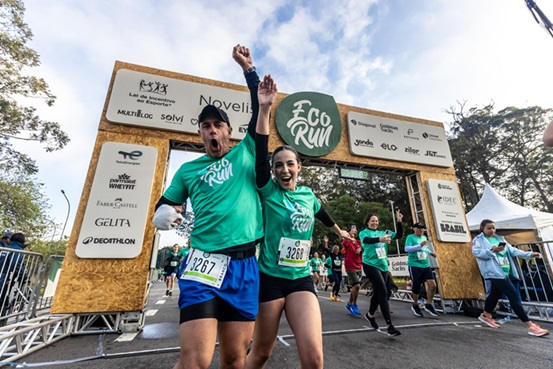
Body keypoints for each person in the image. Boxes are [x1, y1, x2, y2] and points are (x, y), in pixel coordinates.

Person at [153, 44, 264, 369]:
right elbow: (166, 205)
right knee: (195, 362)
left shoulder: (246, 151)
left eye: (218, 125)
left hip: (244, 267)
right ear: (200, 133)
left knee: (233, 359)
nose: (212, 130)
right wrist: (165, 215)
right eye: (206, 126)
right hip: (202, 264)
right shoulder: (188, 170)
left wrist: (249, 70)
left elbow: (260, 111)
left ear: (229, 130)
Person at [244, 75, 351, 369]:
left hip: (301, 279)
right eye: (279, 165)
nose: (284, 169)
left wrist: (340, 232)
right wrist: (265, 108)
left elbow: (321, 212)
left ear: (299, 167)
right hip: (271, 280)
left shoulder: (307, 194)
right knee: (262, 353)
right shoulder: (268, 191)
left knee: (314, 359)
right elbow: (261, 146)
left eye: (290, 163)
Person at [472, 219, 549, 337]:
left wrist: (529, 254)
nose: (492, 230)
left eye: (493, 228)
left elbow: (513, 251)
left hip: (505, 271)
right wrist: (491, 250)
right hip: (493, 272)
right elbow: (477, 253)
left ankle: (486, 315)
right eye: (489, 228)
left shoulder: (500, 239)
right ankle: (530, 326)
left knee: (494, 294)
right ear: (482, 228)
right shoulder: (478, 240)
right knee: (513, 295)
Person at [360, 210, 403, 336]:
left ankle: (370, 315)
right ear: (368, 222)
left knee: (379, 292)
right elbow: (367, 240)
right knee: (384, 292)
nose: (375, 222)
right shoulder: (364, 233)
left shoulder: (385, 232)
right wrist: (381, 239)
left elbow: (399, 235)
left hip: (383, 266)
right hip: (370, 264)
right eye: (372, 221)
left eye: (376, 221)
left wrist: (399, 221)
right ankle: (390, 326)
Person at [404, 223, 439, 317]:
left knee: (433, 286)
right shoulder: (410, 237)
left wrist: (431, 253)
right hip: (415, 265)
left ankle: (428, 304)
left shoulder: (423, 237)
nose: (421, 230)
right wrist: (419, 245)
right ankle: (415, 304)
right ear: (414, 229)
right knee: (417, 287)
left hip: (425, 264)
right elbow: (407, 249)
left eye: (422, 228)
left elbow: (425, 248)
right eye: (419, 228)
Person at [0, 232, 28, 315]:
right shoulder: (17, 250)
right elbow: (15, 264)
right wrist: (23, 274)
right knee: (3, 299)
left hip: (3, 275)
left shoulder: (6, 248)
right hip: (6, 277)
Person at [342, 225, 363, 316]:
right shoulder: (347, 241)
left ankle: (349, 304)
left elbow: (362, 250)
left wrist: (360, 249)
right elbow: (344, 242)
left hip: (358, 265)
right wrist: (349, 235)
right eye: (352, 230)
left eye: (355, 229)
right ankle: (354, 304)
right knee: (357, 285)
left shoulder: (358, 242)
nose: (354, 231)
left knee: (356, 287)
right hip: (350, 265)